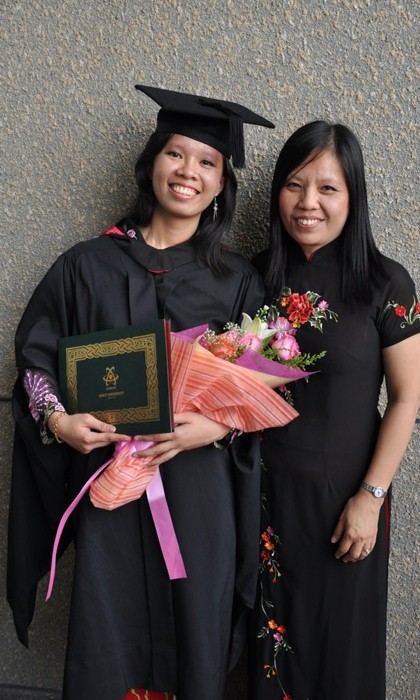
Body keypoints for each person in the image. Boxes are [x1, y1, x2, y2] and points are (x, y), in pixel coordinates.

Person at [8, 85, 275, 700]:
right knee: (110, 634)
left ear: (221, 184)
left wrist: (219, 424)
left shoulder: (238, 281)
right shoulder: (85, 265)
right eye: (175, 154)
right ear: (152, 162)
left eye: (207, 162)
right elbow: (35, 362)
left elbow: (261, 389)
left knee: (196, 632)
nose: (188, 172)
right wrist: (58, 421)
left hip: (199, 493)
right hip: (112, 491)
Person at [248, 121, 420, 700]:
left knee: (341, 654)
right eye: (294, 185)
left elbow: (406, 398)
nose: (308, 203)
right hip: (259, 501)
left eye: (328, 188)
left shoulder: (386, 283)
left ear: (353, 196)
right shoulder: (251, 277)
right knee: (259, 656)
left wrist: (371, 498)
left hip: (346, 506)